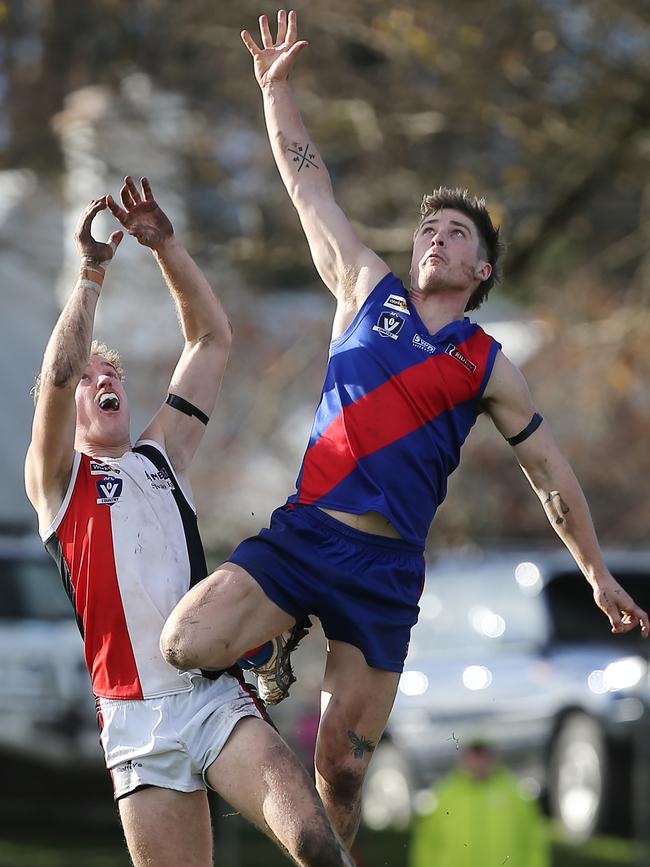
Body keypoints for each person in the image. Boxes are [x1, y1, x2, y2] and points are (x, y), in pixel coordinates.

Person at [160, 9, 650, 849]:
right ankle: (266, 653)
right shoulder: (365, 289)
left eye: (456, 233)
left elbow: (550, 473)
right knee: (184, 641)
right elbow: (308, 186)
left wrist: (597, 572)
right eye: (430, 225)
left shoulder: (488, 362)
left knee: (343, 776)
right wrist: (278, 94)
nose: (435, 234)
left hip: (387, 569)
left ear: (480, 270)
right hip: (307, 532)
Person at [24, 176, 354, 867]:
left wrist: (167, 247)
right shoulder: (59, 480)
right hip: (135, 719)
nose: (100, 376)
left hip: (212, 699)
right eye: (91, 376)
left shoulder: (160, 454)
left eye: (108, 369)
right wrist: (91, 272)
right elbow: (56, 373)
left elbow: (211, 339)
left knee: (318, 845)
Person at [409, 739, 550, 867]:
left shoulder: (516, 795)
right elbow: (426, 846)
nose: (478, 761)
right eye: (474, 754)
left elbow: (534, 844)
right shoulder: (443, 796)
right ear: (463, 757)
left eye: (483, 754)